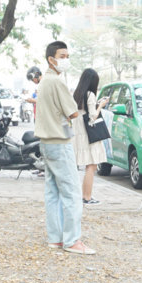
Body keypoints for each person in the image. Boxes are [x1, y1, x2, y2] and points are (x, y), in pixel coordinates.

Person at [35, 41, 94, 254]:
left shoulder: (44, 81)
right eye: (62, 56)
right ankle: (72, 240)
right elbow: (73, 112)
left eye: (67, 56)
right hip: (60, 142)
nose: (65, 60)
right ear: (51, 59)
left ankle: (56, 238)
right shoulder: (57, 82)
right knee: (71, 193)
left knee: (52, 192)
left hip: (46, 142)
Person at [72, 68, 108, 206]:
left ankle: (83, 196)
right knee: (91, 166)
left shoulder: (77, 94)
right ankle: (87, 197)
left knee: (86, 165)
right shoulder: (90, 94)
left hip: (79, 133)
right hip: (89, 134)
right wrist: (101, 105)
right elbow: (93, 116)